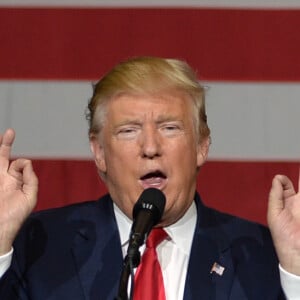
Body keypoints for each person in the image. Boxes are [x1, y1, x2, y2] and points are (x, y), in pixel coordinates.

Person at [0, 56, 299, 300]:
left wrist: (297, 270)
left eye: (169, 128)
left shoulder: (265, 255)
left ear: (201, 146)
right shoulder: (39, 245)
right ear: (99, 152)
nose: (151, 148)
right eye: (129, 131)